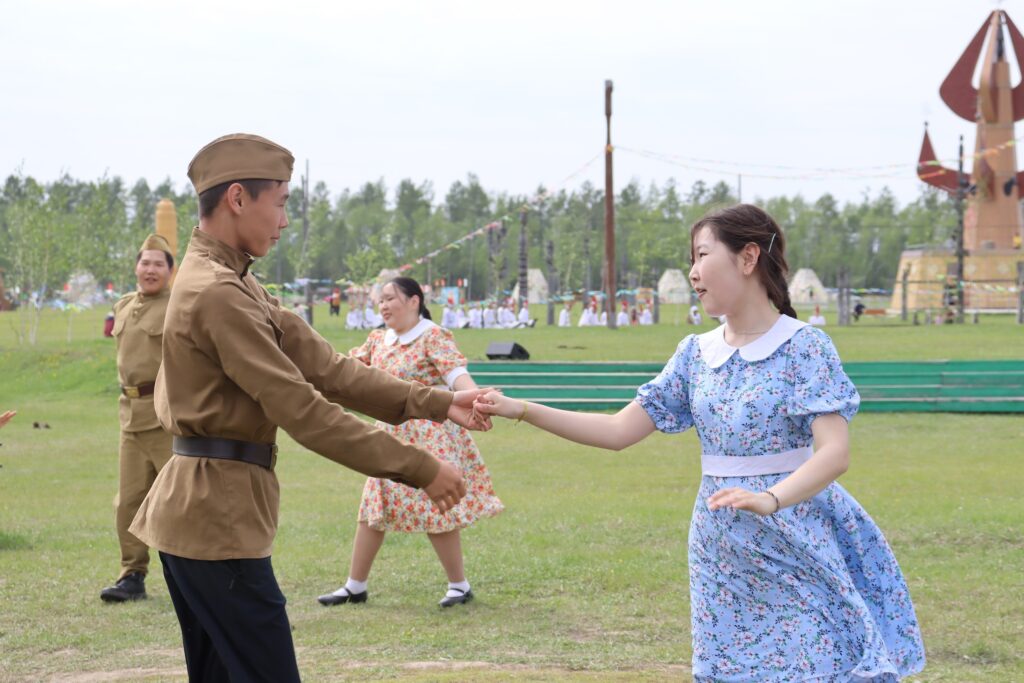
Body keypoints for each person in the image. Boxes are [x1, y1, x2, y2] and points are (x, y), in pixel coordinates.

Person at [474, 204, 925, 681]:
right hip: (721, 549)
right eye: (690, 259)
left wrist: (771, 499)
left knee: (813, 665)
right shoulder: (694, 354)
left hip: (795, 535)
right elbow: (617, 431)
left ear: (748, 257)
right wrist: (523, 409)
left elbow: (835, 453)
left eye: (702, 255)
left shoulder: (804, 347)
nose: (692, 272)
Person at [129, 134, 489, 683]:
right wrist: (419, 467)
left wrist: (438, 402)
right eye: (280, 204)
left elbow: (329, 369)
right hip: (215, 517)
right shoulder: (216, 291)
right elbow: (303, 409)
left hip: (209, 513)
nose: (284, 222)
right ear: (238, 199)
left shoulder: (235, 281)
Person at [318, 277, 503, 609]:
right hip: (388, 436)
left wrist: (476, 398)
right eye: (381, 301)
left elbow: (456, 374)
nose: (384, 306)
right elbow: (346, 371)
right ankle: (355, 586)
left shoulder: (432, 336)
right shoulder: (377, 340)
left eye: (390, 298)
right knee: (373, 506)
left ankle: (459, 586)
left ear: (414, 301)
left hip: (431, 435)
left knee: (438, 503)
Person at [100, 234, 175, 603]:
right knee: (128, 502)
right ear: (136, 267)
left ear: (170, 271)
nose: (151, 269)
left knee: (176, 501)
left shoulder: (177, 307)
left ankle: (190, 574)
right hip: (129, 417)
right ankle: (132, 575)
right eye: (145, 262)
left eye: (159, 264)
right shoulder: (124, 305)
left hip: (165, 417)